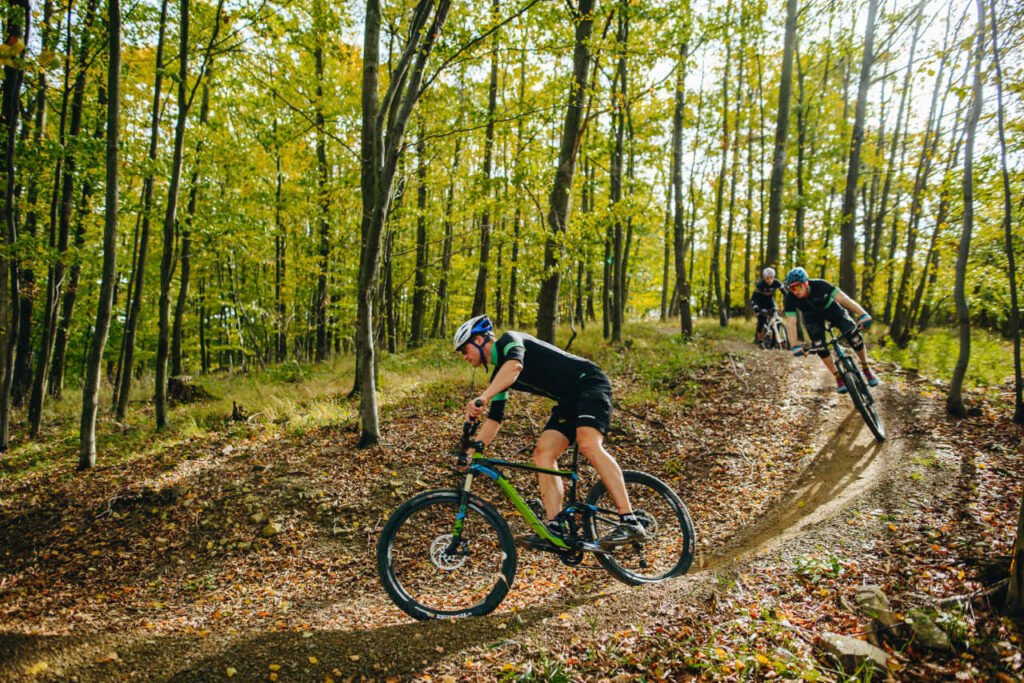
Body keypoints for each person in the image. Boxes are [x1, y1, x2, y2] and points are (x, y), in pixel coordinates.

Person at [453, 314, 647, 549]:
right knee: (543, 453)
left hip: (590, 384)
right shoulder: (499, 376)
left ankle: (629, 520)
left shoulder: (509, 340)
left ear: (481, 339)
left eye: (465, 350)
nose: (465, 357)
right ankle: (555, 527)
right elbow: (495, 420)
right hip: (569, 401)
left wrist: (484, 396)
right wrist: (472, 452)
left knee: (588, 444)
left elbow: (515, 365)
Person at [782, 267, 881, 394]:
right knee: (820, 347)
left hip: (831, 309)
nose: (794, 292)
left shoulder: (820, 285)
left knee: (854, 335)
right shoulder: (790, 298)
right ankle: (838, 377)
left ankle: (866, 368)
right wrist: (794, 345)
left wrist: (863, 314)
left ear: (805, 283)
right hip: (812, 318)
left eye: (796, 287)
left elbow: (844, 299)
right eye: (791, 288)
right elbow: (791, 323)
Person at [750, 267, 783, 346]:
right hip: (760, 302)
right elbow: (754, 298)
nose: (769, 280)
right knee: (761, 319)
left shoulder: (776, 283)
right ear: (764, 278)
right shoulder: (760, 284)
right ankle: (760, 341)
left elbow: (785, 293)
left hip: (770, 301)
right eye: (767, 278)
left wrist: (786, 303)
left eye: (771, 278)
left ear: (774, 277)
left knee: (776, 317)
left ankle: (776, 339)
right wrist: (756, 308)